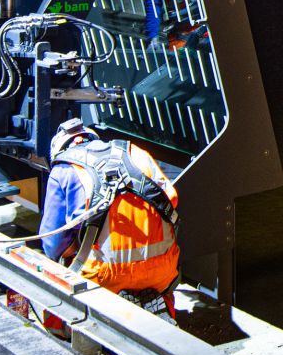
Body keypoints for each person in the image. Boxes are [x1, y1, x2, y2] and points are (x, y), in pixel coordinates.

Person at [37, 121, 182, 313]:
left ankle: (82, 321)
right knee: (161, 287)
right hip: (162, 270)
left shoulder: (63, 169)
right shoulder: (136, 153)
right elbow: (172, 199)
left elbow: (53, 245)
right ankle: (160, 304)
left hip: (103, 277)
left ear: (60, 150)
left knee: (62, 274)